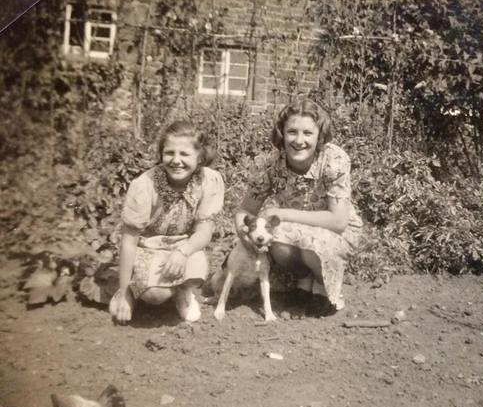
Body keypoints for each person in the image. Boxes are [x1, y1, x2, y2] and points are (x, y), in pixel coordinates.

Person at [235, 99, 362, 317]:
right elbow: (245, 210)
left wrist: (283, 214)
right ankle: (303, 282)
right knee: (274, 237)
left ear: (319, 136)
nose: (299, 141)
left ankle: (323, 289)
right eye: (292, 132)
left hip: (336, 232)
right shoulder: (269, 164)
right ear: (281, 133)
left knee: (313, 242)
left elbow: (338, 221)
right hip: (296, 231)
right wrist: (243, 232)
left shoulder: (334, 159)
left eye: (308, 133)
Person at [109, 120, 224, 324]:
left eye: (185, 154)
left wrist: (182, 252)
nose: (176, 160)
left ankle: (182, 291)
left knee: (196, 271)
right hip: (147, 247)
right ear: (161, 154)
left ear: (200, 157)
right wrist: (124, 292)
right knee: (155, 296)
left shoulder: (209, 181)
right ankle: (136, 289)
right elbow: (129, 240)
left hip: (183, 246)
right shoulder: (145, 185)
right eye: (169, 153)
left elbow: (204, 232)